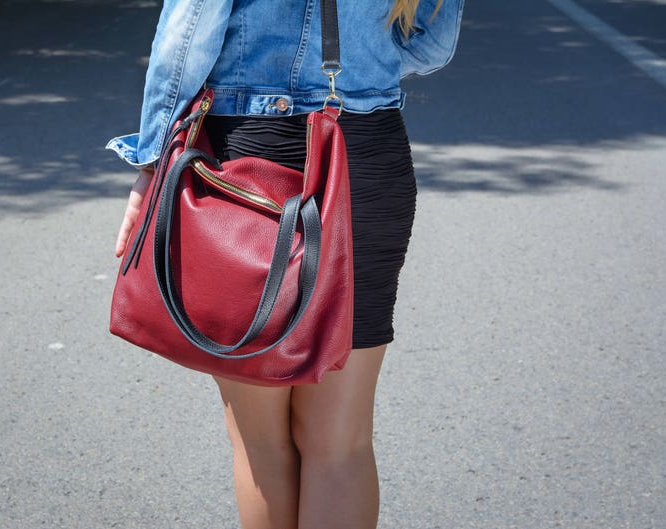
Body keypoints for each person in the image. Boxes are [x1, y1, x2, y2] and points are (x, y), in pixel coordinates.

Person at [106, 1, 464, 528]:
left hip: (250, 156)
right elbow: (430, 47)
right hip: (368, 155)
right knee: (340, 445)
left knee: (262, 445)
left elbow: (188, 34)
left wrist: (153, 155)